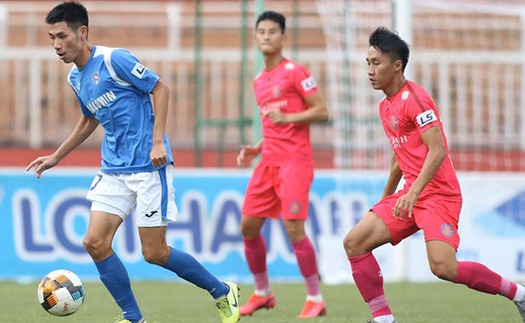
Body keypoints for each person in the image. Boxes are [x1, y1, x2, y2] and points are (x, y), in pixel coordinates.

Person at [26, 2, 240, 323]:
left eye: (62, 36)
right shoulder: (75, 77)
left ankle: (222, 290)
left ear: (82, 33)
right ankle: (132, 317)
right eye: (51, 37)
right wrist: (57, 156)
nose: (56, 45)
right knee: (94, 242)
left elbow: (160, 88)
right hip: (113, 169)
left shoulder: (115, 60)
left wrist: (157, 141)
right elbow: (89, 119)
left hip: (148, 167)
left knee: (154, 253)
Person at [343, 26, 525, 323]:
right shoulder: (384, 105)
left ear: (396, 65)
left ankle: (519, 294)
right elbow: (399, 158)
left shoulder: (415, 99)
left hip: (438, 195)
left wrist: (413, 193)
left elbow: (438, 150)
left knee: (443, 268)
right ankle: (384, 320)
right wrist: (386, 198)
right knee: (354, 242)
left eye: (376, 63)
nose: (370, 70)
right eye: (368, 63)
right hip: (409, 194)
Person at [236, 10, 329, 319]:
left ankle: (315, 297)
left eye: (272, 31)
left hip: (294, 163)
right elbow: (273, 125)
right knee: (248, 227)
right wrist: (256, 149)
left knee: (293, 228)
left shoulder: (296, 72)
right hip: (268, 163)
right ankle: (263, 292)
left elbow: (322, 111)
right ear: (255, 36)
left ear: (283, 36)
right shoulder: (259, 80)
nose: (266, 36)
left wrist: (290, 116)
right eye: (261, 31)